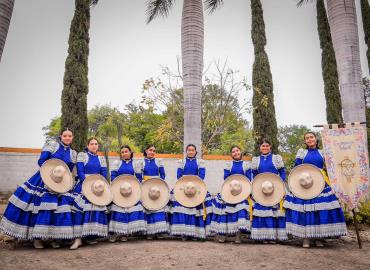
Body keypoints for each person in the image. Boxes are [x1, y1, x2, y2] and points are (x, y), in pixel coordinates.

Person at [0, 128, 77, 249]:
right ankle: (37, 239)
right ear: (60, 136)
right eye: (65, 136)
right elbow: (41, 160)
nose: (67, 138)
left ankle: (53, 239)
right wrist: (50, 174)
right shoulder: (52, 145)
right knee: (40, 208)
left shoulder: (73, 153)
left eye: (70, 136)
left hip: (60, 183)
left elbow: (69, 170)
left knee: (58, 210)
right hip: (44, 179)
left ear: (72, 138)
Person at [284, 132, 347, 248]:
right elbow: (296, 168)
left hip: (320, 183)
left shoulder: (323, 152)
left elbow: (330, 168)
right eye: (307, 138)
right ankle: (305, 238)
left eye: (311, 137)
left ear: (316, 139)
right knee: (304, 210)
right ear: (305, 141)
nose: (309, 139)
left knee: (319, 210)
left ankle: (319, 237)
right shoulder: (302, 153)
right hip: (304, 184)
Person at [70, 138, 109, 249]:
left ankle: (90, 236)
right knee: (79, 210)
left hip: (97, 186)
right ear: (87, 145)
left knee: (95, 210)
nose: (94, 146)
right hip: (84, 184)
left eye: (96, 144)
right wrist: (87, 183)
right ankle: (78, 239)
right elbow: (80, 170)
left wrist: (99, 184)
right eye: (91, 144)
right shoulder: (82, 155)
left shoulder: (101, 158)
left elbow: (104, 173)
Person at [170, 144, 213, 240]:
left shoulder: (200, 162)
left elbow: (202, 176)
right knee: (181, 207)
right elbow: (179, 176)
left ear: (195, 152)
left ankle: (196, 233)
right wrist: (186, 186)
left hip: (196, 187)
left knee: (197, 209)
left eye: (192, 150)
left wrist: (194, 186)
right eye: (189, 150)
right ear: (186, 151)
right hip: (184, 187)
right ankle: (184, 233)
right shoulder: (181, 162)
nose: (190, 152)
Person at [211, 145, 252, 243]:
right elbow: (226, 178)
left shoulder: (246, 165)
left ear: (240, 152)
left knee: (241, 210)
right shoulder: (228, 165)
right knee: (224, 209)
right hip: (230, 190)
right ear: (231, 154)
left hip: (242, 190)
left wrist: (243, 189)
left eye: (237, 151)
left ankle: (238, 235)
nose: (236, 153)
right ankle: (223, 234)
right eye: (233, 152)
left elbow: (248, 179)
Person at [250, 139, 287, 242]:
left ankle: (274, 237)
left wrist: (281, 184)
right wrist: (255, 187)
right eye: (263, 146)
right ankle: (263, 236)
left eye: (267, 145)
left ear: (270, 147)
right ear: (260, 148)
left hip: (275, 188)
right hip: (261, 189)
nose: (265, 147)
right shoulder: (255, 160)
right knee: (262, 212)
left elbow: (282, 172)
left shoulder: (276, 158)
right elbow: (254, 174)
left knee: (275, 213)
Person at [108, 145, 146, 242]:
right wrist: (118, 187)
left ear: (130, 152)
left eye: (126, 151)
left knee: (131, 209)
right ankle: (116, 233)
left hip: (131, 191)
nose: (124, 153)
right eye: (122, 152)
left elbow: (139, 178)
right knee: (118, 210)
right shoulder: (117, 163)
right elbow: (113, 177)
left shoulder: (135, 164)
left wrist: (133, 188)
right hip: (118, 190)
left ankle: (126, 234)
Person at [139, 145, 169, 239]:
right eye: (150, 150)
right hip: (146, 187)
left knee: (158, 207)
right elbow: (139, 176)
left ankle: (158, 231)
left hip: (157, 187)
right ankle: (149, 232)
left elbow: (163, 175)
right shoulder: (141, 162)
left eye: (154, 151)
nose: (152, 152)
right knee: (148, 207)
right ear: (146, 150)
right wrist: (144, 183)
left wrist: (159, 183)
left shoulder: (159, 161)